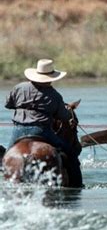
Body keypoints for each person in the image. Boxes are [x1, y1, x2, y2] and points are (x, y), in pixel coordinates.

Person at [5, 59, 83, 187]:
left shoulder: (19, 88)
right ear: (51, 78)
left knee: (6, 159)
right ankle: (77, 186)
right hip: (42, 132)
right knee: (72, 155)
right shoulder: (55, 95)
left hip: (18, 131)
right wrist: (69, 113)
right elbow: (63, 116)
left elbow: (8, 104)